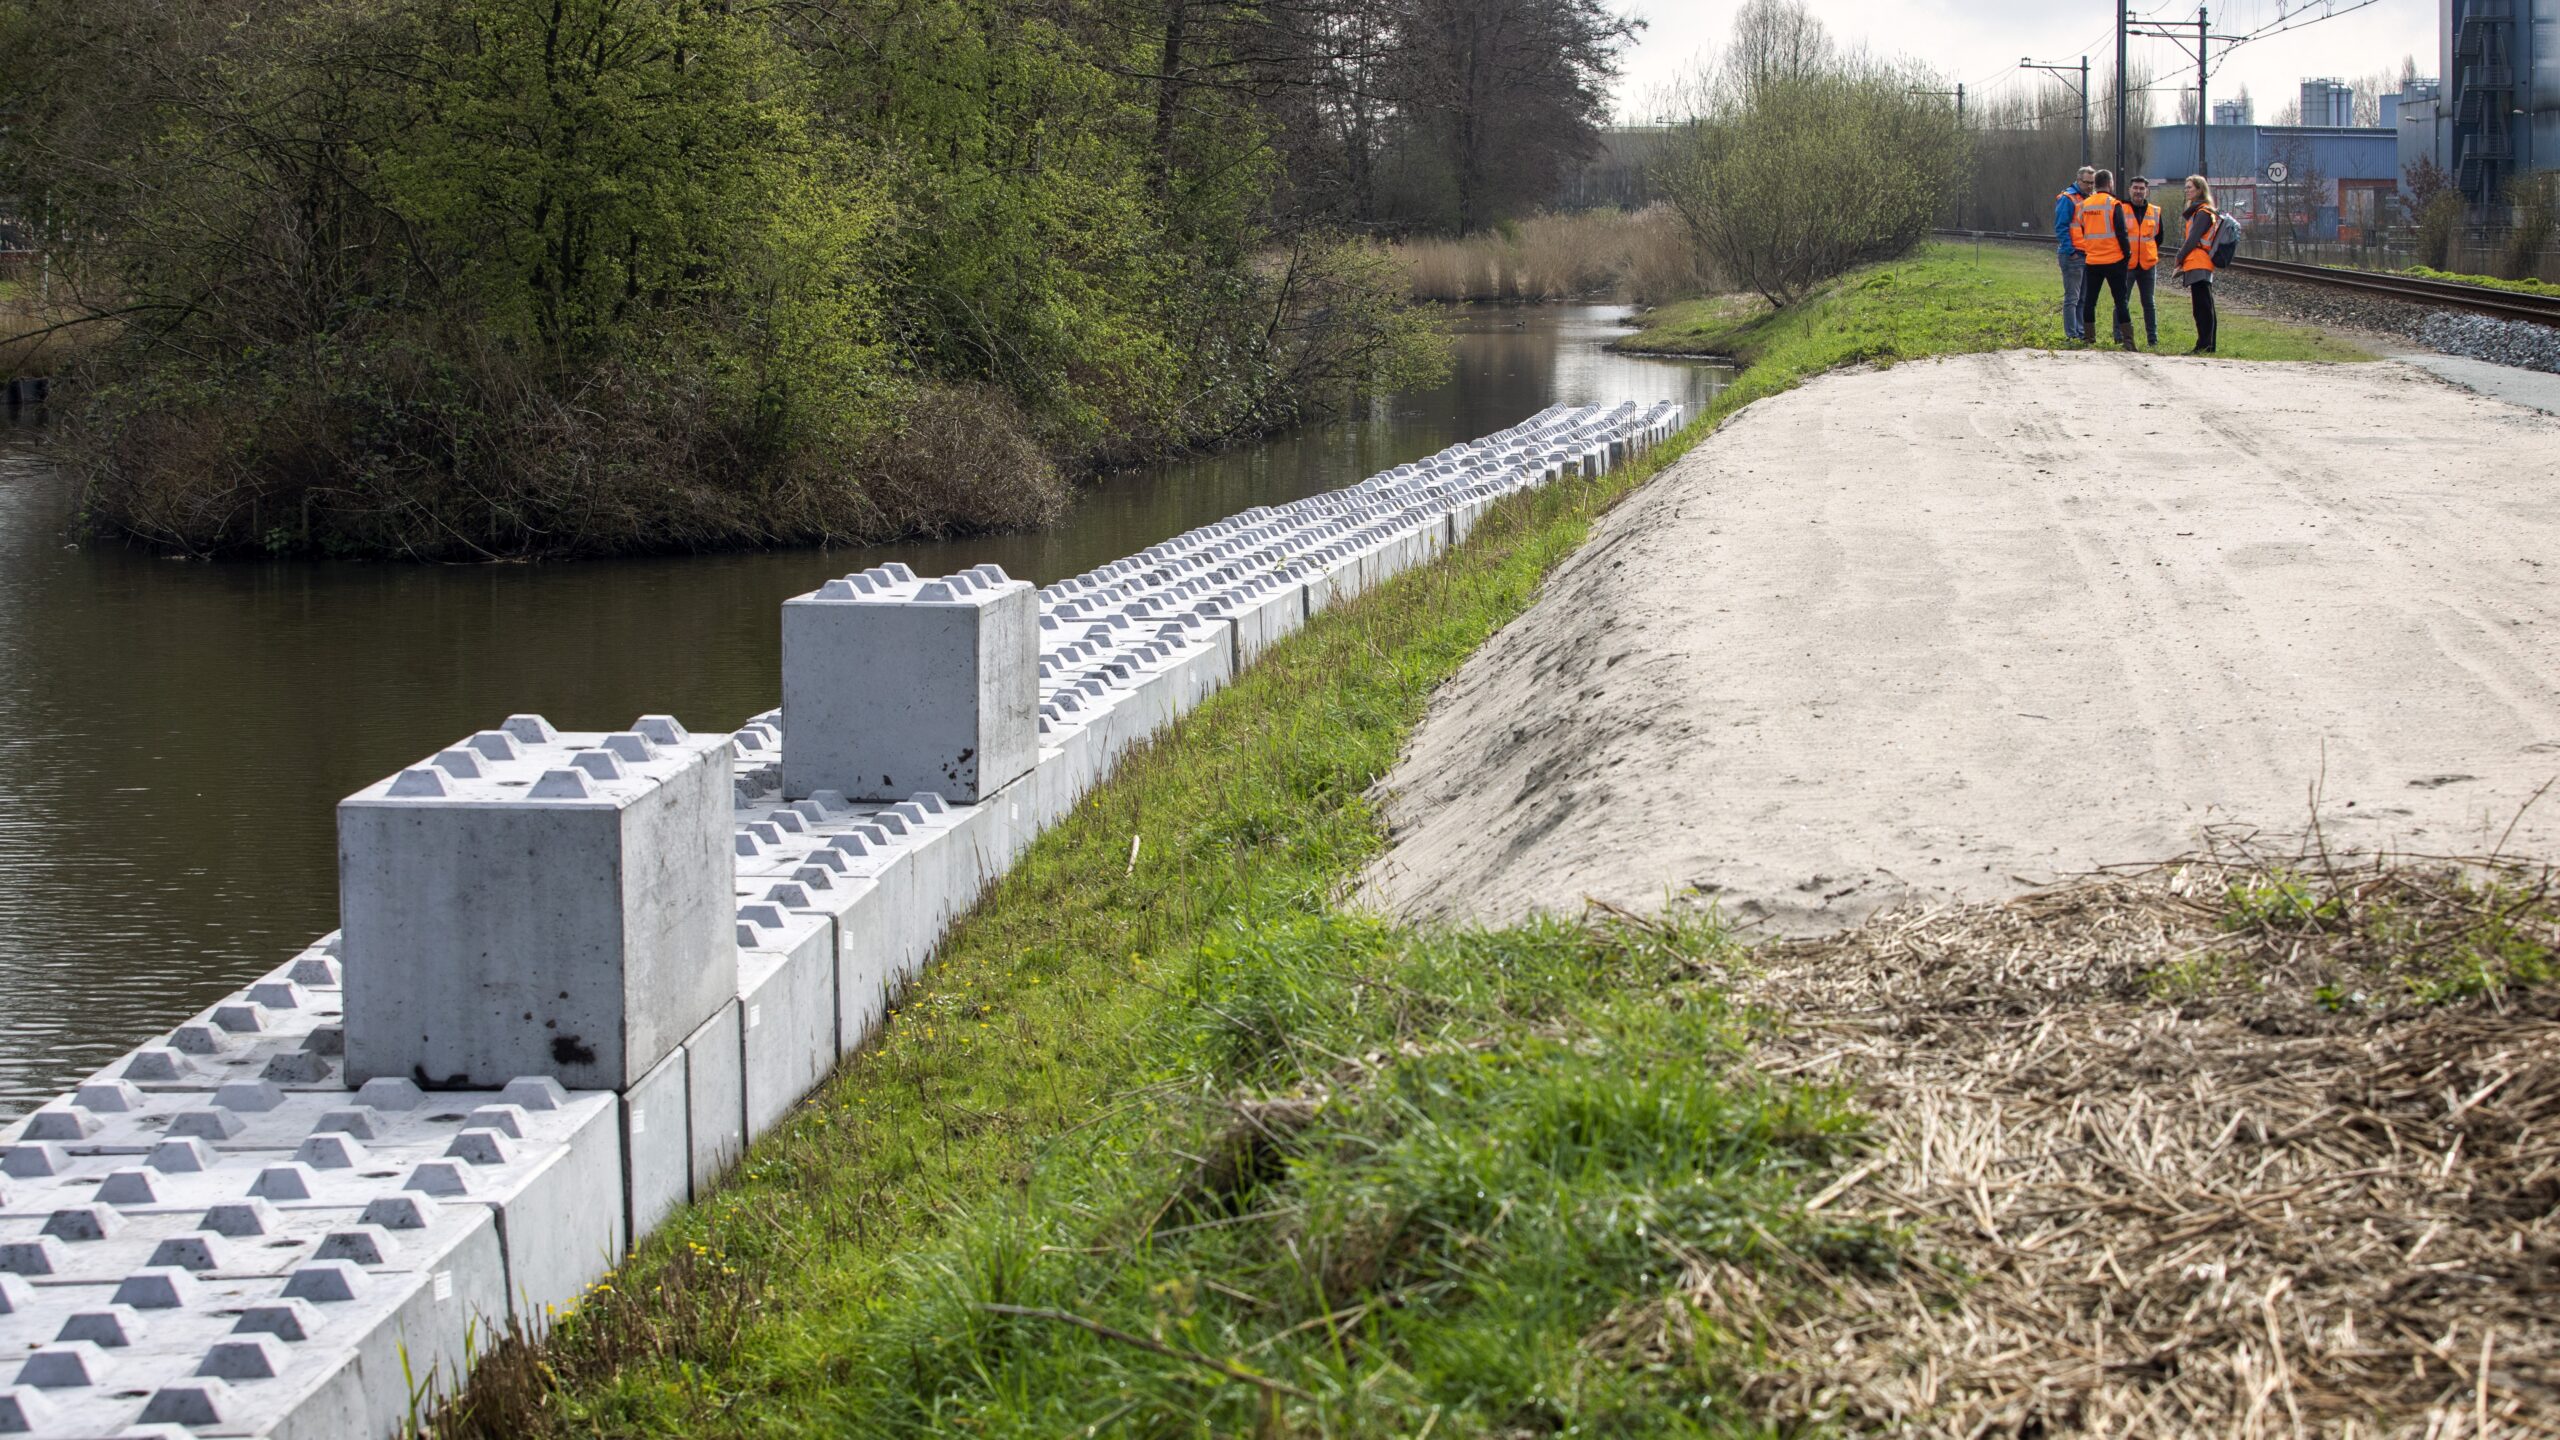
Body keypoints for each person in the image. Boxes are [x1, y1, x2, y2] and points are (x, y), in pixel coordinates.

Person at [2075, 170, 2134, 347]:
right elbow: (2121, 232)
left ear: (2096, 183)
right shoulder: (2113, 204)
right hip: (2114, 260)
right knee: (2120, 301)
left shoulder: (2084, 205)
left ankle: (2089, 338)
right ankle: (2128, 341)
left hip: (2093, 260)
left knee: (2090, 301)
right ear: (2110, 183)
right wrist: (2127, 254)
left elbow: (2084, 229)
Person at [2175, 174, 2221, 354]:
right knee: (2205, 304)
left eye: (2190, 187)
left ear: (2200, 190)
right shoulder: (2203, 211)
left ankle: (2204, 345)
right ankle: (2208, 344)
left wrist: (2179, 256)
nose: (2186, 190)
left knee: (2201, 306)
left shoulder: (2202, 212)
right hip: (2201, 261)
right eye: (2186, 187)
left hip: (2199, 261)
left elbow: (2193, 239)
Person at [2054, 166, 2096, 342]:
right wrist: (2071, 251)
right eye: (2086, 182)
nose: (2089, 186)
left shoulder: (2090, 199)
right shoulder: (2068, 198)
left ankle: (2079, 332)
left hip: (2086, 254)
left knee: (2083, 298)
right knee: (2073, 297)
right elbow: (2061, 227)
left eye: (2092, 183)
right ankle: (2071, 334)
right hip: (2074, 255)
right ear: (2078, 180)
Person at [2122, 175, 2164, 349]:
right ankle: (2120, 337)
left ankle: (2152, 339)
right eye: (2135, 188)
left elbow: (2159, 237)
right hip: (2128, 264)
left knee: (2149, 303)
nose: (2138, 191)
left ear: (2147, 190)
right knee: (2122, 301)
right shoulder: (2121, 209)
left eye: (2141, 188)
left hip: (2147, 264)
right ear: (2130, 190)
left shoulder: (2155, 211)